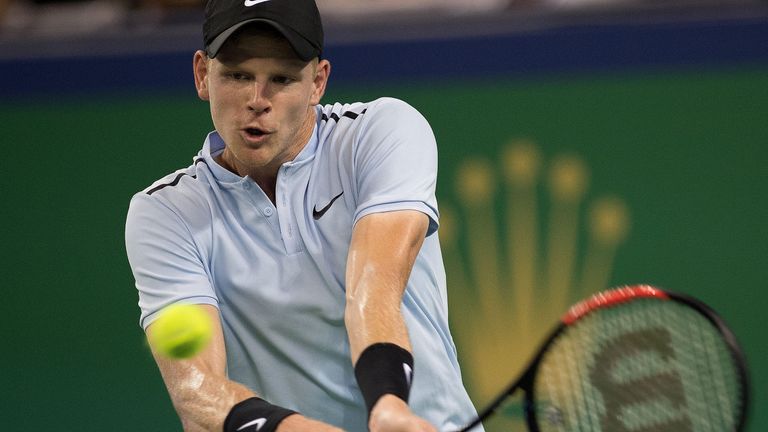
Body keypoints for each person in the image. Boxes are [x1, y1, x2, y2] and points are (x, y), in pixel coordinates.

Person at [125, 0, 482, 431]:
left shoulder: (381, 133)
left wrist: (389, 405)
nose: (258, 100)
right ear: (203, 74)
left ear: (318, 82)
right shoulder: (165, 213)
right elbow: (198, 393)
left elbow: (373, 289)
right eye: (238, 75)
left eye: (282, 78)